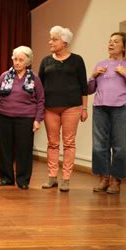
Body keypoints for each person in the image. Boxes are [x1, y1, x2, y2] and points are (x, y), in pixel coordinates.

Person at [88, 32, 126, 194]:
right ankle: (104, 179)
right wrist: (92, 76)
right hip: (100, 108)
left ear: (124, 46)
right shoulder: (101, 63)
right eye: (109, 41)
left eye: (115, 41)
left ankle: (116, 180)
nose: (110, 44)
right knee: (99, 146)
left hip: (122, 109)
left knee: (119, 147)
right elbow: (89, 90)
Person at [39, 26, 88, 192]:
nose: (50, 42)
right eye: (50, 38)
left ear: (64, 42)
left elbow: (83, 86)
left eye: (54, 39)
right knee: (52, 143)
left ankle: (66, 179)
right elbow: (40, 86)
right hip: (50, 108)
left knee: (69, 143)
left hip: (72, 107)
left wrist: (85, 108)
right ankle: (52, 177)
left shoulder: (77, 60)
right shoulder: (46, 61)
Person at [0, 46, 44, 190]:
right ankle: (6, 178)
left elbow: (41, 100)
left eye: (20, 60)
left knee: (24, 150)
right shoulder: (5, 76)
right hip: (4, 117)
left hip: (26, 118)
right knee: (5, 149)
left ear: (28, 62)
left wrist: (37, 119)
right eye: (15, 59)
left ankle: (23, 180)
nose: (17, 62)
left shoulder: (34, 78)